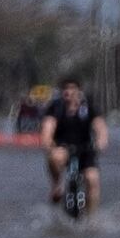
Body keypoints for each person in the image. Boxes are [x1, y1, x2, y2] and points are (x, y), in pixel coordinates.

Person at [45, 76, 103, 218]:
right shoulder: (56, 107)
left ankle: (91, 217)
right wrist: (48, 143)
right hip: (63, 147)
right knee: (54, 157)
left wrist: (101, 141)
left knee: (92, 179)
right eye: (65, 88)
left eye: (72, 88)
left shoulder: (88, 107)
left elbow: (100, 126)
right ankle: (57, 184)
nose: (68, 92)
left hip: (85, 150)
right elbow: (48, 127)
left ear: (78, 90)